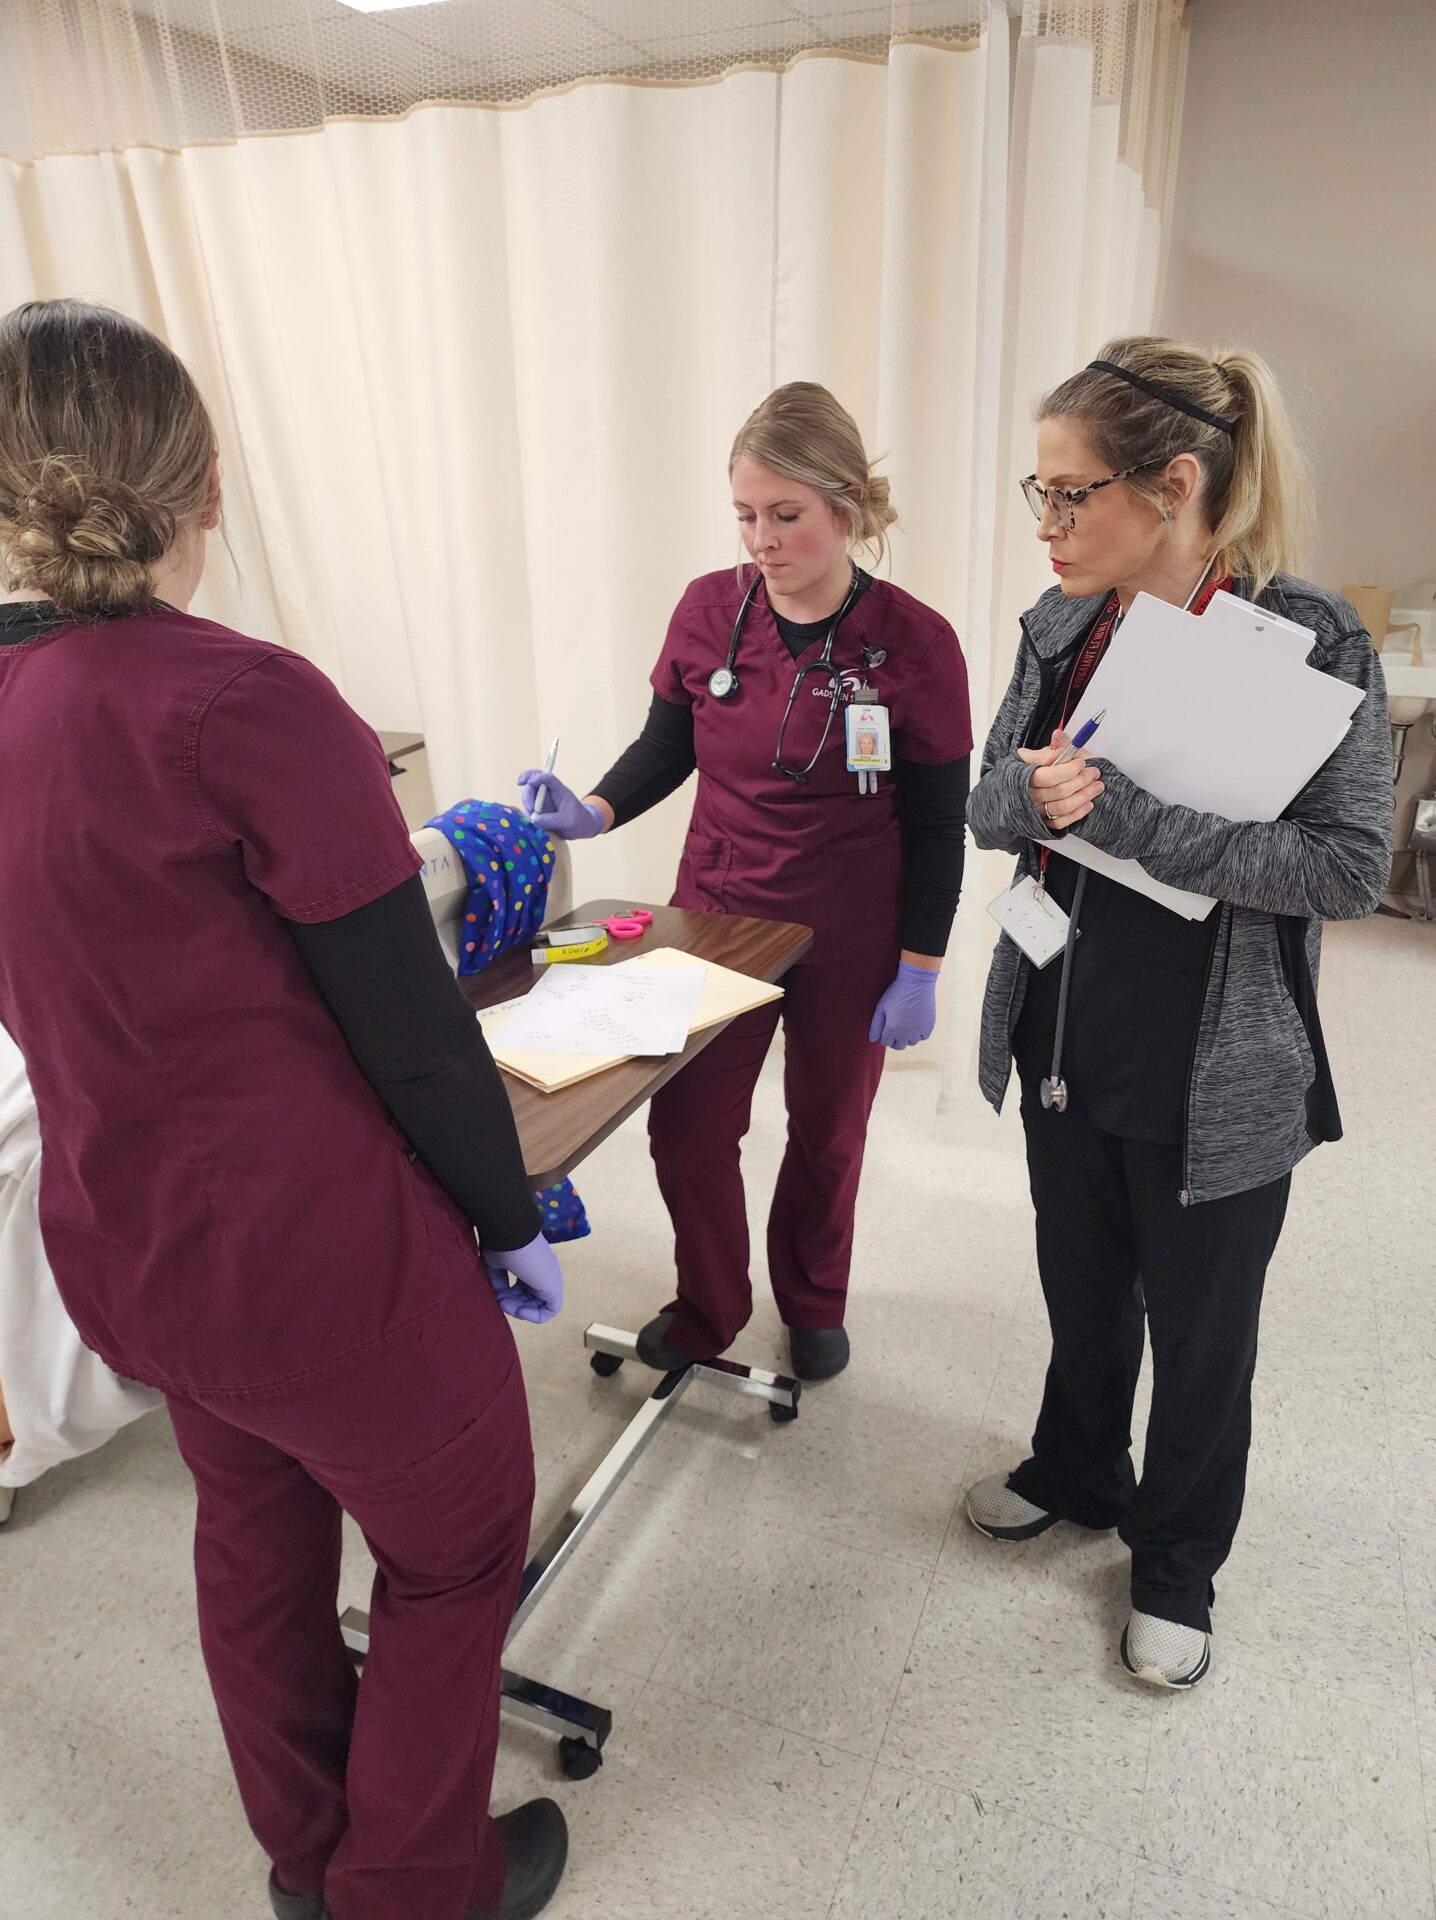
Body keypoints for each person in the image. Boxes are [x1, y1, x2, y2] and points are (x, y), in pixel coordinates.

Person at [0, 300, 570, 1920]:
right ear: (205, 487)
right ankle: (413, 1887)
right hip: (316, 1262)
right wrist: (510, 1214)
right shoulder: (243, 701)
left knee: (254, 1543)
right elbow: (413, 1033)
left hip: (132, 1252)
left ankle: (309, 1865)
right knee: (457, 1548)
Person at [964, 337, 1392, 1689]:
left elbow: (1346, 869)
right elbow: (983, 804)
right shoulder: (1058, 627)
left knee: (1203, 1335)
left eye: (1070, 492)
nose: (1045, 522)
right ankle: (1078, 1467)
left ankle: (1175, 1562)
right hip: (1063, 1027)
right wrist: (1032, 795)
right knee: (1081, 1283)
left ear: (1175, 485)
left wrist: (1133, 823)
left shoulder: (1309, 638)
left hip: (1215, 1063)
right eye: (1036, 490)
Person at [520, 382, 972, 1381]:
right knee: (687, 1125)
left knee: (827, 1134)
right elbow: (665, 746)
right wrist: (591, 809)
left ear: (845, 508)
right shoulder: (706, 610)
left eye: (785, 515)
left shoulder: (917, 643)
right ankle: (709, 1304)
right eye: (744, 515)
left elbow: (942, 822)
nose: (761, 540)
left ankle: (812, 1300)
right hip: (719, 914)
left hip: (851, 929)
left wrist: (920, 967)